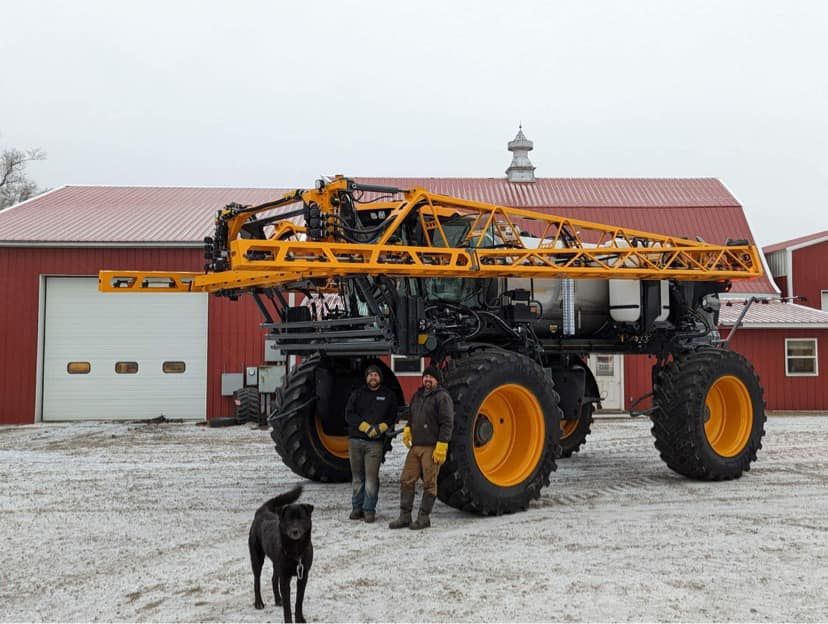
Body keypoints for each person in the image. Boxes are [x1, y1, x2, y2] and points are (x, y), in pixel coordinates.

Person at [389, 364, 453, 530]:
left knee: (429, 483)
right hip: (416, 446)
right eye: (425, 377)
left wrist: (442, 444)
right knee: (406, 479)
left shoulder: (442, 397)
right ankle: (405, 516)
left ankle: (424, 518)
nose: (427, 380)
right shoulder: (418, 395)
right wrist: (408, 427)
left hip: (432, 447)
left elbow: (447, 423)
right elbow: (411, 414)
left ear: (436, 380)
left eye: (431, 377)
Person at [344, 364, 398, 523]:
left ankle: (369, 510)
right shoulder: (357, 394)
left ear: (380, 378)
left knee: (371, 478)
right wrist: (364, 426)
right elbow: (349, 414)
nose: (373, 377)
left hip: (375, 444)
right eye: (370, 375)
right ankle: (357, 508)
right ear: (366, 378)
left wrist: (382, 427)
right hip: (355, 442)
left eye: (375, 375)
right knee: (357, 477)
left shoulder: (388, 395)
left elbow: (393, 416)